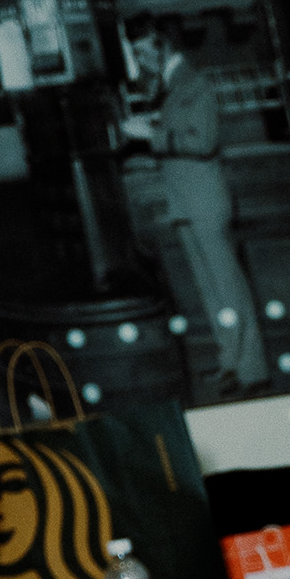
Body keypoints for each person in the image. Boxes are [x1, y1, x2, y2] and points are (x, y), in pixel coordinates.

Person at [121, 22, 268, 396]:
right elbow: (183, 128)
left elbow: (203, 141)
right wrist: (153, 123)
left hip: (204, 200)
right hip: (185, 201)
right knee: (210, 290)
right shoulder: (169, 86)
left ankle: (252, 370)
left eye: (142, 52)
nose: (139, 61)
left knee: (227, 287)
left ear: (162, 46)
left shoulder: (194, 83)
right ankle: (229, 364)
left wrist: (150, 134)